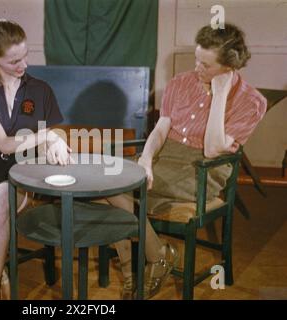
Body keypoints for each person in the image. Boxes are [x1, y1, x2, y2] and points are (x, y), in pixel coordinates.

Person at [109, 23, 267, 299]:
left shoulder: (251, 102)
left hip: (203, 169)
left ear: (229, 69)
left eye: (206, 65)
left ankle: (146, 263)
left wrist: (219, 94)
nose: (197, 68)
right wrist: (145, 159)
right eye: (196, 59)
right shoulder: (180, 83)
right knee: (104, 185)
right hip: (163, 155)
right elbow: (160, 130)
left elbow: (212, 148)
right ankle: (153, 257)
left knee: (117, 191)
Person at [0, 19, 72, 300]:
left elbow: (56, 130)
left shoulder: (40, 89)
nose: (23, 66)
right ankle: (0, 271)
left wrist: (56, 138)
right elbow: (4, 144)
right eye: (13, 61)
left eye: (25, 56)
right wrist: (45, 136)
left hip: (22, 169)